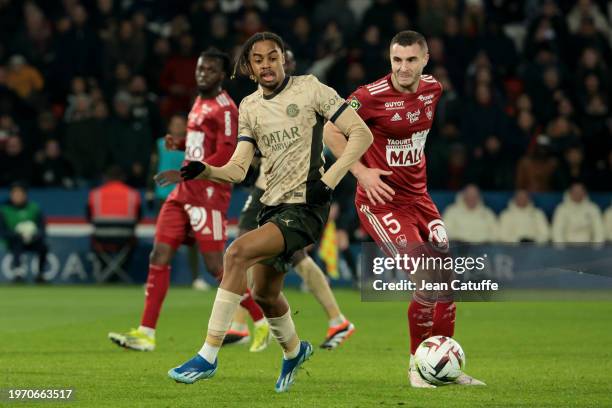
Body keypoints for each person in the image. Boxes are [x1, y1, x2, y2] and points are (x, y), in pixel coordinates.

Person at [162, 32, 372, 392]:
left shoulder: (311, 88)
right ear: (248, 66)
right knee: (263, 293)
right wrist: (207, 170)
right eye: (258, 59)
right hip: (270, 206)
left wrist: (331, 179)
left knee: (236, 252)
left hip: (306, 206)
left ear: (283, 59)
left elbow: (361, 134)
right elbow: (240, 169)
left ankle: (208, 354)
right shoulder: (249, 107)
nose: (266, 64)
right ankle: (293, 351)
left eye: (272, 57)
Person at [323, 30, 485, 388]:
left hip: (420, 200)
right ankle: (417, 367)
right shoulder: (369, 96)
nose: (403, 67)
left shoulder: (433, 89)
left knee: (447, 284)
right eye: (397, 60)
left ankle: (446, 369)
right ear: (390, 59)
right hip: (382, 204)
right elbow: (331, 131)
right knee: (427, 282)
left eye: (411, 60)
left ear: (425, 59)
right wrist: (361, 172)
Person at [108, 48, 267, 352]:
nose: (202, 74)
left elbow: (229, 152)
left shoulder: (225, 108)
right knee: (159, 256)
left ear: (222, 75)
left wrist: (188, 173)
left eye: (209, 70)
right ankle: (146, 333)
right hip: (184, 192)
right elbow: (201, 144)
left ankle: (261, 321)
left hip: (209, 194)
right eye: (199, 69)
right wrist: (181, 143)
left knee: (217, 268)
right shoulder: (198, 102)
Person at [224, 47, 355, 352]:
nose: (268, 67)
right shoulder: (261, 102)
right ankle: (335, 320)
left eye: (276, 61)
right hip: (267, 187)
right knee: (273, 256)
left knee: (247, 247)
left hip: (279, 191)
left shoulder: (304, 98)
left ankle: (246, 325)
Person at [87, 166, 142, 282]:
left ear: (106, 178)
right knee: (133, 242)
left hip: (101, 239)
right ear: (123, 178)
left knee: (94, 241)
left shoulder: (95, 194)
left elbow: (89, 218)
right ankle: (119, 275)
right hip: (126, 239)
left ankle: (106, 275)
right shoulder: (133, 194)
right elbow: (138, 218)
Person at [0, 183, 47, 283]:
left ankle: (40, 273)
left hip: (33, 240)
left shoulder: (34, 208)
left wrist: (34, 235)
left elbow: (42, 229)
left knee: (43, 247)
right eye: (15, 194)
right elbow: (2, 231)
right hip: (13, 241)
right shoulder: (4, 210)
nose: (17, 197)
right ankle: (18, 273)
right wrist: (17, 235)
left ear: (25, 195)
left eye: (20, 194)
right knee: (17, 244)